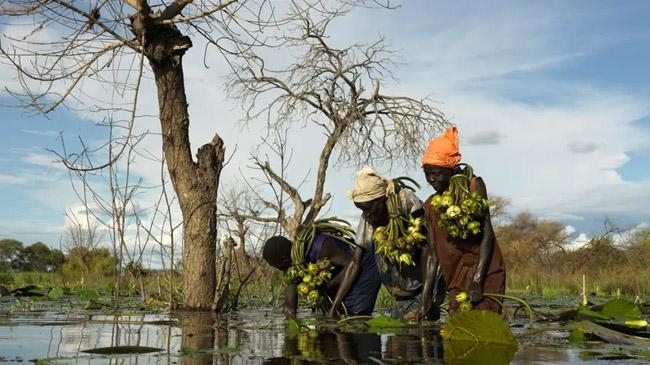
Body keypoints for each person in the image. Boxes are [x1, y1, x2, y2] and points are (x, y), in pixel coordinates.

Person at [421, 126, 506, 313]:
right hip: (455, 279)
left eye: (436, 173)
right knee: (458, 329)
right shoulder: (430, 205)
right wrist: (426, 297)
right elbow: (433, 252)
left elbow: (487, 234)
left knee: (485, 324)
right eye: (427, 174)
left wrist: (477, 281)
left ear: (450, 170)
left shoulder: (474, 185)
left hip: (485, 273)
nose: (431, 179)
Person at [348, 166, 445, 320]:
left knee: (422, 332)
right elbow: (355, 261)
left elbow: (429, 250)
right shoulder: (368, 217)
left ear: (381, 199)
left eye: (368, 208)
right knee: (398, 336)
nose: (366, 214)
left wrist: (426, 297)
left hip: (425, 287)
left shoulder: (405, 200)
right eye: (362, 210)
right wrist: (335, 308)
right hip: (401, 294)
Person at [262, 223, 381, 319]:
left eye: (275, 265)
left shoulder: (320, 247)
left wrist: (333, 304)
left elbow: (353, 265)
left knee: (355, 316)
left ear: (284, 260)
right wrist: (289, 317)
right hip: (342, 276)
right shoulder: (293, 265)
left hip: (364, 268)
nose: (278, 269)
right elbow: (290, 303)